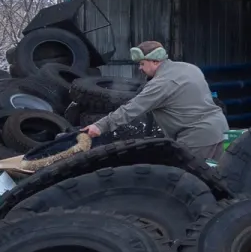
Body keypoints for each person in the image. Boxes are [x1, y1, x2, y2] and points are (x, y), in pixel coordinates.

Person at [84, 41, 229, 164]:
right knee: (218, 178)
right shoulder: (189, 68)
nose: (140, 68)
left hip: (197, 138)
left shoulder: (161, 84)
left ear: (155, 61)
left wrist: (99, 126)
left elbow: (130, 110)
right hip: (221, 129)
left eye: (142, 64)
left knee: (187, 183)